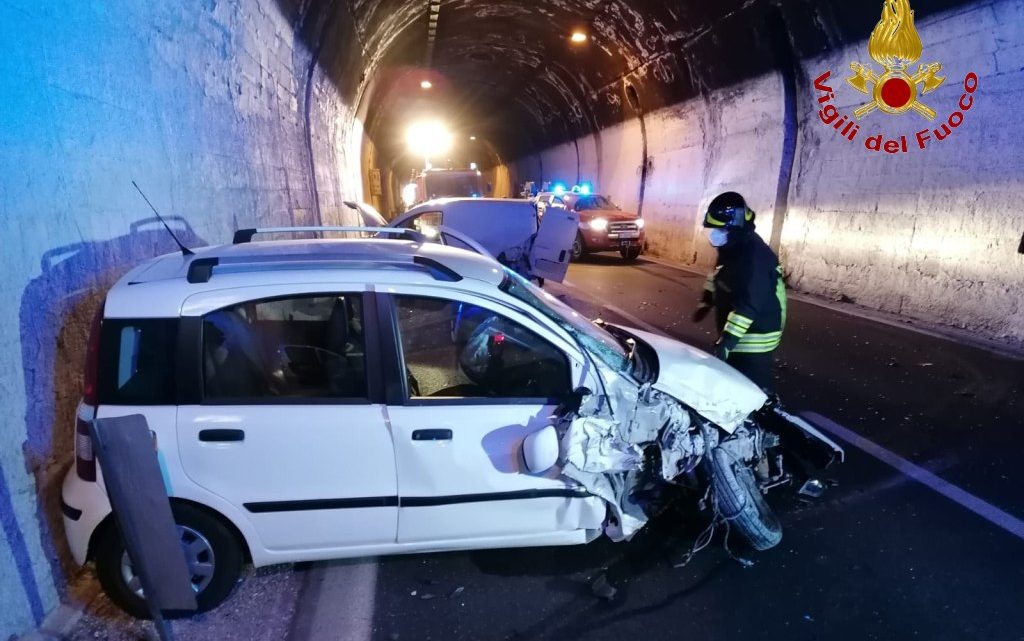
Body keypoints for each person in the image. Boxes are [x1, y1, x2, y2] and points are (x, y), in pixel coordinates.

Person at [693, 192, 787, 394]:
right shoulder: (734, 245)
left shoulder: (754, 257)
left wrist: (727, 342)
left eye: (721, 228)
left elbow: (748, 305)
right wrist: (707, 299)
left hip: (756, 337)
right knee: (732, 385)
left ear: (735, 227)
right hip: (738, 332)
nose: (715, 234)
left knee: (751, 390)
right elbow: (720, 273)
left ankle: (763, 410)